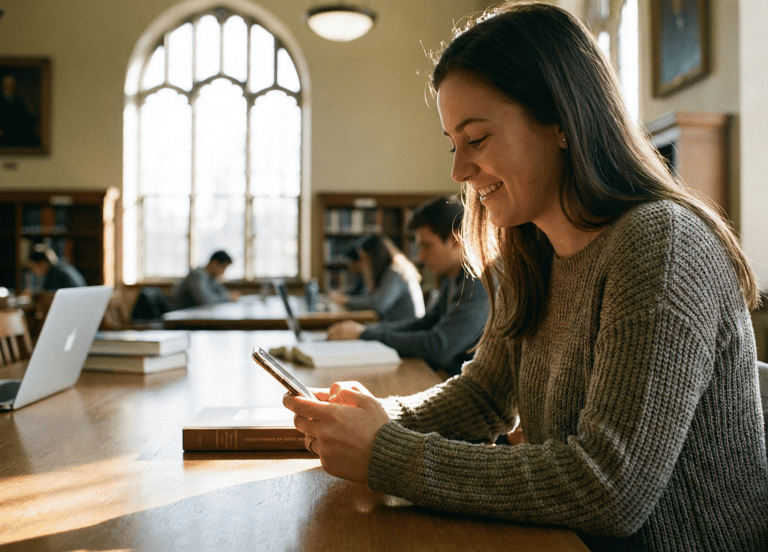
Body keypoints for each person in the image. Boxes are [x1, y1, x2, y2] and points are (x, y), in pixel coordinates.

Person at [284, 3, 768, 551]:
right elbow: (484, 397)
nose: (458, 171)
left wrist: (386, 452)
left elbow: (609, 487)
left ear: (561, 121)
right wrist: (369, 419)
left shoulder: (660, 244)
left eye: (477, 139)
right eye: (453, 144)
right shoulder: (530, 250)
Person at [327, 196, 489, 377]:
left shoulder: (478, 280)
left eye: (426, 246)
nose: (420, 257)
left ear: (455, 240)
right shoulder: (454, 277)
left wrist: (365, 334)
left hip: (467, 384)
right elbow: (425, 324)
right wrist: (366, 331)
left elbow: (440, 345)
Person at [328, 234, 425, 323]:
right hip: (397, 327)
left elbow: (378, 304)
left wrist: (346, 301)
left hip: (405, 329)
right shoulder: (392, 271)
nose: (363, 264)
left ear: (375, 257)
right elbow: (372, 299)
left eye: (364, 258)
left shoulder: (396, 273)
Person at [169, 250, 239, 310]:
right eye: (223, 267)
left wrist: (229, 296)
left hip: (194, 314)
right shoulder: (197, 275)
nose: (223, 272)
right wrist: (228, 298)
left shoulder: (211, 277)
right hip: (180, 316)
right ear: (214, 263)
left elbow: (224, 293)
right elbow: (206, 301)